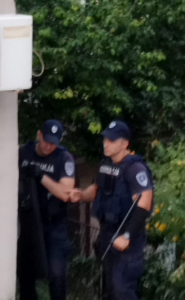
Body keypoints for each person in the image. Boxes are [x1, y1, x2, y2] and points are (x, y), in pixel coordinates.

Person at [71, 121, 153, 300]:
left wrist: (127, 236)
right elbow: (97, 190)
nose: (106, 144)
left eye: (112, 140)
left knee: (121, 289)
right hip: (107, 235)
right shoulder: (106, 165)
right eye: (105, 139)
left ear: (124, 144)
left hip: (128, 239)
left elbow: (145, 202)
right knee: (109, 290)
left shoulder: (134, 168)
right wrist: (81, 195)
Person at [17, 120, 77, 300]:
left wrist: (41, 175)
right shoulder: (24, 152)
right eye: (46, 141)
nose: (49, 146)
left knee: (56, 274)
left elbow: (65, 193)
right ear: (39, 135)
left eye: (53, 143)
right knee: (25, 274)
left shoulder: (63, 158)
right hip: (28, 222)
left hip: (53, 225)